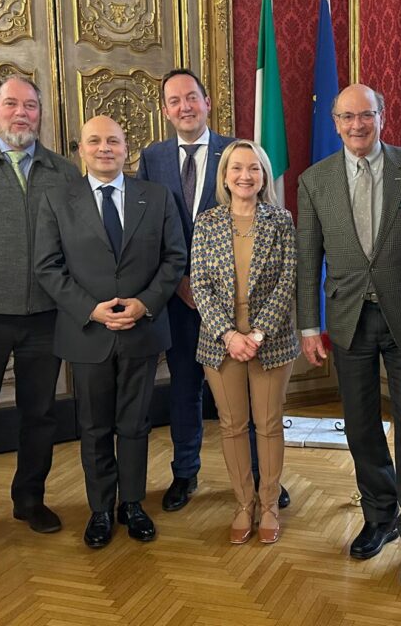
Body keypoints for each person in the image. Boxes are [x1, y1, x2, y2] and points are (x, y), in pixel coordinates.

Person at [296, 83, 401, 589]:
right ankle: (380, 518)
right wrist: (308, 324)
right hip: (348, 319)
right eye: (347, 117)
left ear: (383, 115)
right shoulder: (314, 181)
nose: (357, 125)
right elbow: (307, 256)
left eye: (367, 115)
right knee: (359, 426)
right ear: (335, 122)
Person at [137, 69, 290, 512]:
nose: (184, 106)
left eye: (192, 97)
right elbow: (153, 229)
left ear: (207, 102)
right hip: (179, 296)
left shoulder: (237, 153)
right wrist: (179, 282)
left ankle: (266, 480)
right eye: (174, 100)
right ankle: (186, 473)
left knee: (256, 400)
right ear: (165, 110)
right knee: (185, 386)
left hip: (243, 302)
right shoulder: (153, 157)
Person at [35, 115, 186, 548]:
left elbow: (175, 258)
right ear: (80, 150)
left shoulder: (155, 197)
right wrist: (91, 310)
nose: (105, 148)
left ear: (127, 149)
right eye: (95, 141)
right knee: (95, 426)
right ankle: (101, 509)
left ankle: (132, 504)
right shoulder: (58, 200)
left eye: (114, 141)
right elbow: (48, 266)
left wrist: (145, 303)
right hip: (87, 332)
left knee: (136, 424)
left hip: (143, 329)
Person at [0, 75, 81, 548]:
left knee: (39, 414)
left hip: (46, 317)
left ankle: (30, 500)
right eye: (11, 104)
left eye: (31, 106)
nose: (22, 113)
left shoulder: (63, 172)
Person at [190, 141, 298, 545]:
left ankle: (269, 503)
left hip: (269, 341)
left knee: (268, 425)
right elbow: (198, 284)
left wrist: (256, 333)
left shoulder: (281, 220)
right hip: (220, 341)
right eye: (237, 168)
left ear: (264, 175)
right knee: (233, 426)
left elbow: (288, 281)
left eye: (254, 168)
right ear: (225, 176)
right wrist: (229, 334)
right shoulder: (207, 222)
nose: (245, 176)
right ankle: (243, 503)